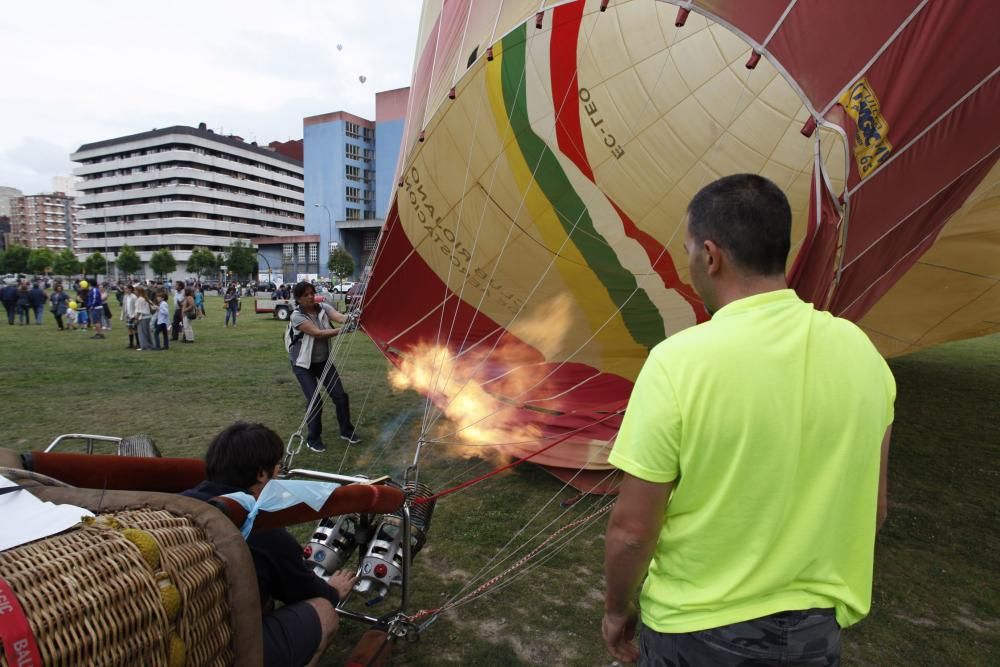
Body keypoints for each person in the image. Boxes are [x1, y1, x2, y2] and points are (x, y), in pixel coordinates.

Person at [601, 174, 896, 666]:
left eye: (689, 249)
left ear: (710, 256)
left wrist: (616, 608)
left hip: (694, 633)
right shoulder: (863, 354)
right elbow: (875, 509)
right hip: (813, 636)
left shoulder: (679, 361)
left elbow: (632, 528)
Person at [181, 422, 355, 667]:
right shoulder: (259, 529)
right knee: (324, 612)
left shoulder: (181, 502)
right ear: (261, 474)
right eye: (277, 467)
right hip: (218, 646)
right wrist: (334, 591)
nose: (279, 473)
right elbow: (305, 590)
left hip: (185, 629)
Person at [288, 281, 359, 452]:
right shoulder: (297, 316)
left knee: (340, 396)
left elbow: (340, 317)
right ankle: (313, 439)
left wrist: (353, 317)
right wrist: (343, 330)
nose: (311, 296)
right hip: (303, 364)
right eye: (306, 295)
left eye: (312, 293)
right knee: (315, 400)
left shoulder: (323, 308)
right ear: (298, 299)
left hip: (323, 361)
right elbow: (318, 334)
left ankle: (346, 431)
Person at [134, 286, 154, 351]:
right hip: (148, 317)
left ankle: (144, 346)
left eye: (135, 291)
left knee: (142, 332)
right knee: (147, 332)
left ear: (139, 292)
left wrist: (136, 319)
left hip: (142, 317)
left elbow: (138, 311)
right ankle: (150, 345)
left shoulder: (140, 299)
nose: (134, 292)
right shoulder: (145, 298)